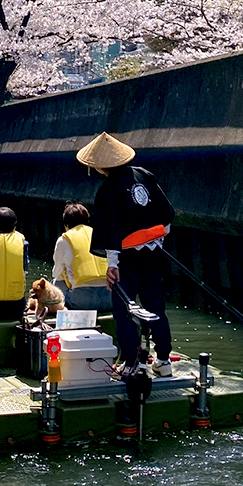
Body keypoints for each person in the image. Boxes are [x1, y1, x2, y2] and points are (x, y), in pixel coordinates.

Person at [80, 132, 175, 376]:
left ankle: (133, 362)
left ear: (100, 166)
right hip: (154, 255)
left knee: (125, 311)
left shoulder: (108, 190)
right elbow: (166, 215)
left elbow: (111, 231)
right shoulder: (144, 174)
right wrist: (155, 241)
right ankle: (163, 360)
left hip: (126, 260)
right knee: (155, 308)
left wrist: (112, 265)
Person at [52, 202, 112, 312]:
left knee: (56, 281)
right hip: (109, 298)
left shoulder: (64, 239)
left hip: (81, 302)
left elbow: (56, 273)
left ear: (66, 225)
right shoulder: (100, 235)